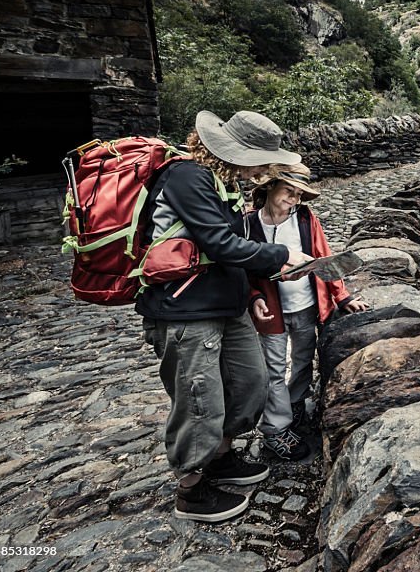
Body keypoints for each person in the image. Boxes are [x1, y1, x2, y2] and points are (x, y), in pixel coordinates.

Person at [137, 110, 313, 523]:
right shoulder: (187, 178)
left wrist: (250, 291)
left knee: (250, 381)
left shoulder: (224, 182)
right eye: (263, 161)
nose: (267, 170)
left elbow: (230, 247)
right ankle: (191, 489)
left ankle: (220, 455)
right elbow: (221, 245)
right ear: (239, 153)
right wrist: (282, 255)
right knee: (200, 397)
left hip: (225, 304)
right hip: (185, 309)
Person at [246, 163, 368, 460]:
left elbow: (324, 256)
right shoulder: (248, 224)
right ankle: (276, 429)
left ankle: (296, 404)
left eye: (299, 194)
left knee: (302, 360)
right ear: (269, 187)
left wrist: (342, 296)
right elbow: (243, 269)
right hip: (271, 311)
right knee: (273, 369)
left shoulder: (304, 218)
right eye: (289, 191)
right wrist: (254, 296)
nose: (294, 199)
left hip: (306, 304)